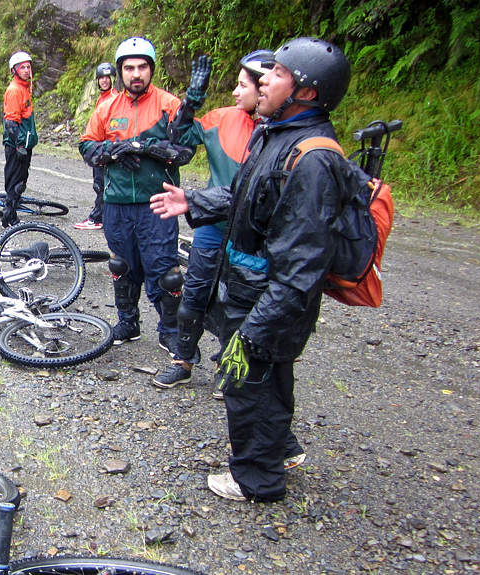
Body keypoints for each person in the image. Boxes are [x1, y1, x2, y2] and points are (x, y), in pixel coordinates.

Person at [149, 37, 353, 502]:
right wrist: (193, 200)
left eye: (277, 74)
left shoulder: (314, 158)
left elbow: (302, 267)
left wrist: (258, 328)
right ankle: (277, 453)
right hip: (248, 286)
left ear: (307, 92)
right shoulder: (273, 134)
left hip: (272, 299)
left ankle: (256, 479)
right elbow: (242, 195)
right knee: (267, 380)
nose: (264, 81)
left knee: (245, 381)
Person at [152, 50, 275, 391]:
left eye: (242, 85)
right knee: (194, 293)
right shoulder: (223, 117)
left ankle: (230, 366)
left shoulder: (277, 133)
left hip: (250, 234)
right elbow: (179, 138)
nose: (236, 92)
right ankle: (182, 359)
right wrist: (192, 100)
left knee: (240, 301)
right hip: (211, 226)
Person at [78, 37, 206, 352]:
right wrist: (113, 151)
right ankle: (128, 322)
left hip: (157, 203)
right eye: (130, 68)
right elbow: (86, 146)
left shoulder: (169, 104)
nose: (137, 74)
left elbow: (187, 149)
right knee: (122, 265)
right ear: (121, 72)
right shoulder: (107, 107)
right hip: (117, 203)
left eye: (143, 67)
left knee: (166, 271)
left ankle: (170, 330)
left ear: (151, 70)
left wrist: (144, 147)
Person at [74, 62, 117, 231]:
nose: (105, 81)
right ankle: (104, 216)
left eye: (108, 77)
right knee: (101, 182)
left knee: (102, 184)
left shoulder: (114, 98)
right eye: (102, 78)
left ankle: (98, 217)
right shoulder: (103, 98)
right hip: (99, 145)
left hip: (106, 147)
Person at [1, 51, 39, 228]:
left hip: (24, 144)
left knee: (20, 181)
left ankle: (11, 214)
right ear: (14, 70)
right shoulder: (15, 90)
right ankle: (9, 218)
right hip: (17, 145)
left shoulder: (24, 88)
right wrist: (19, 146)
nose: (26, 70)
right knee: (15, 182)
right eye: (22, 67)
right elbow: (10, 123)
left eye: (28, 67)